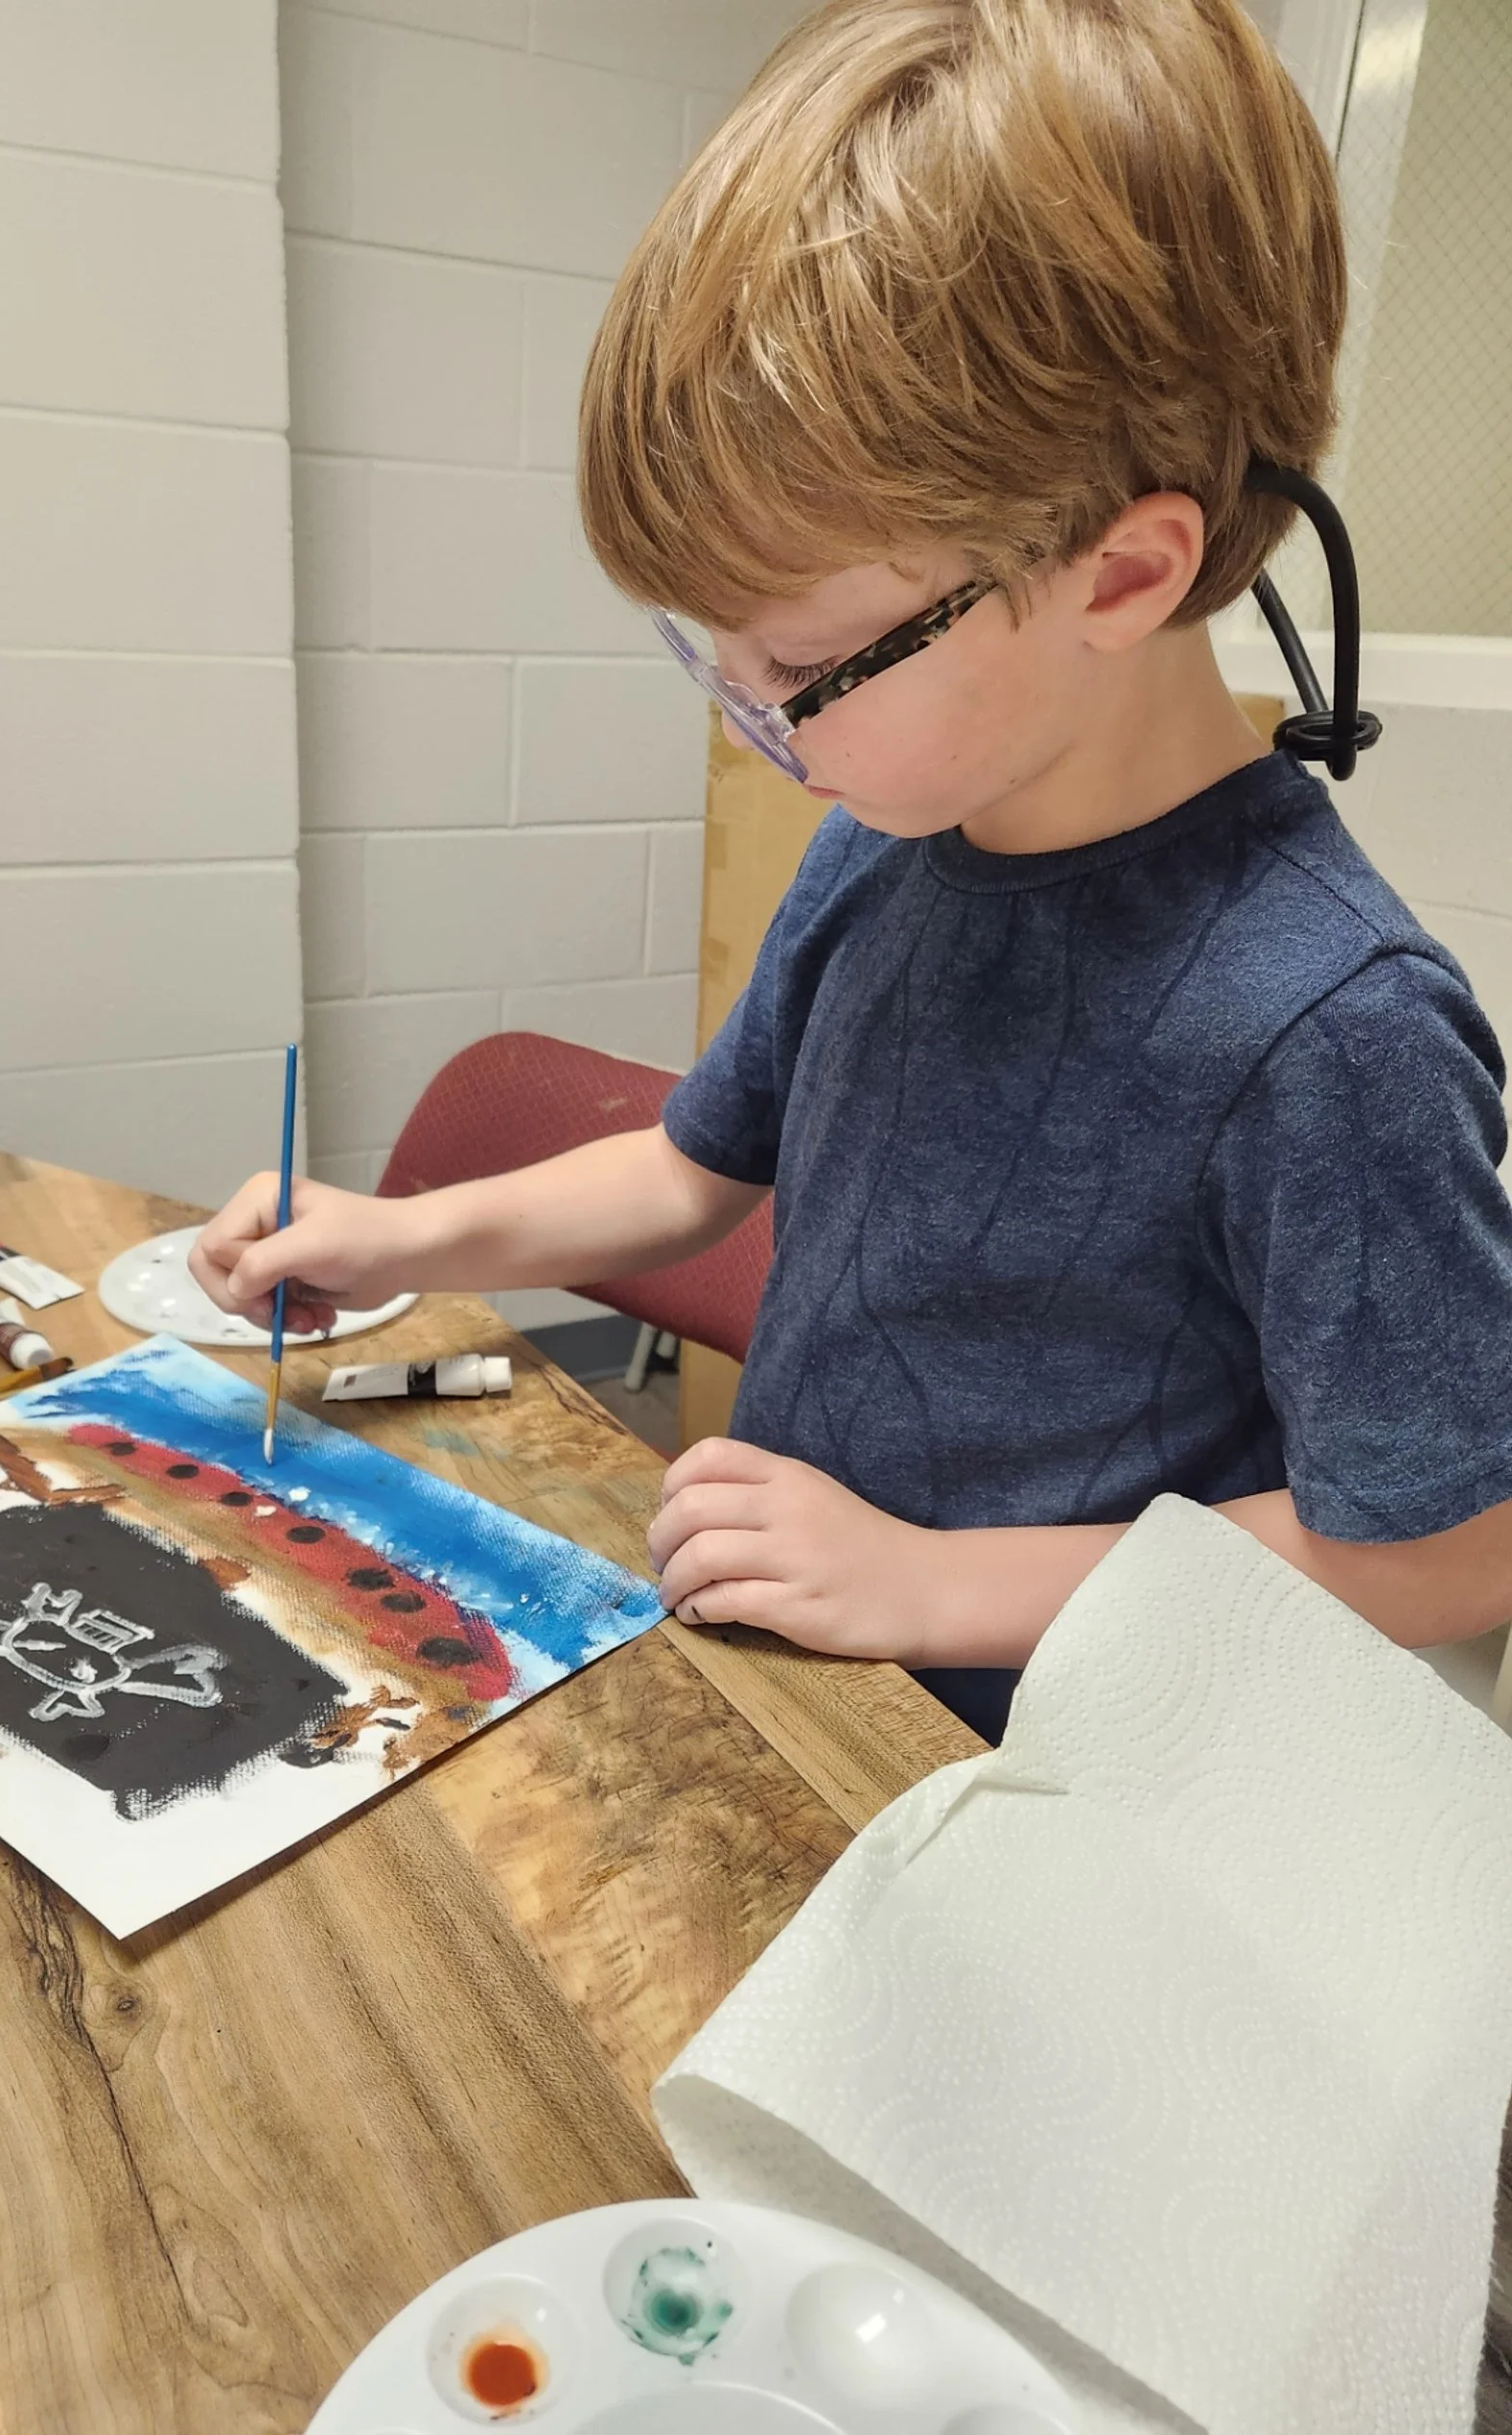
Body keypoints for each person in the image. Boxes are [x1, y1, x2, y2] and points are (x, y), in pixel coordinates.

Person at [194, 0, 1512, 1743]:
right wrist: (404, 1235)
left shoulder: (1332, 1031)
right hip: (808, 1704)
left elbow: (1452, 1550)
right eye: (711, 650)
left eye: (800, 664)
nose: (751, 716)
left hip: (1060, 1781)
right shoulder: (889, 842)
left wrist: (930, 1577)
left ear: (1123, 577)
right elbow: (692, 1169)